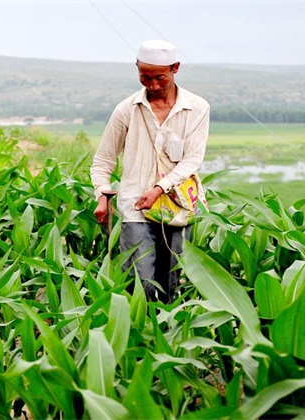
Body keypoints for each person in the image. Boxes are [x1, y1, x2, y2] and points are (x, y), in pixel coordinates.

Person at [90, 40, 210, 303]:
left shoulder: (197, 108)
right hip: (135, 206)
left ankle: (168, 337)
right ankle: (138, 334)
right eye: (145, 77)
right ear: (137, 69)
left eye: (160, 78)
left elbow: (192, 159)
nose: (153, 85)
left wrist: (159, 188)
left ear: (175, 68)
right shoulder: (126, 110)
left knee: (173, 283)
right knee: (139, 284)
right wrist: (102, 194)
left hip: (178, 207)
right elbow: (103, 161)